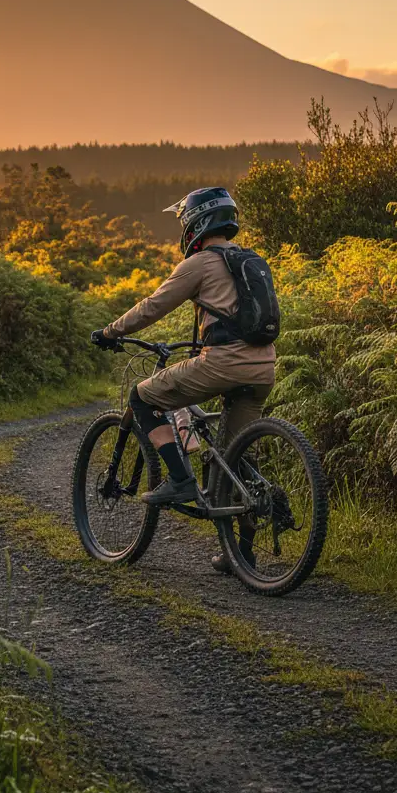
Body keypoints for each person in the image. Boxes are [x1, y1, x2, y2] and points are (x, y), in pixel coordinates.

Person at [90, 187, 276, 572]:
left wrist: (110, 332)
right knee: (237, 457)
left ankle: (179, 479)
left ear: (195, 223)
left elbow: (152, 306)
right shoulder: (252, 260)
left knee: (142, 397)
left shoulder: (200, 263)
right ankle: (241, 554)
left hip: (222, 364)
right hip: (263, 368)